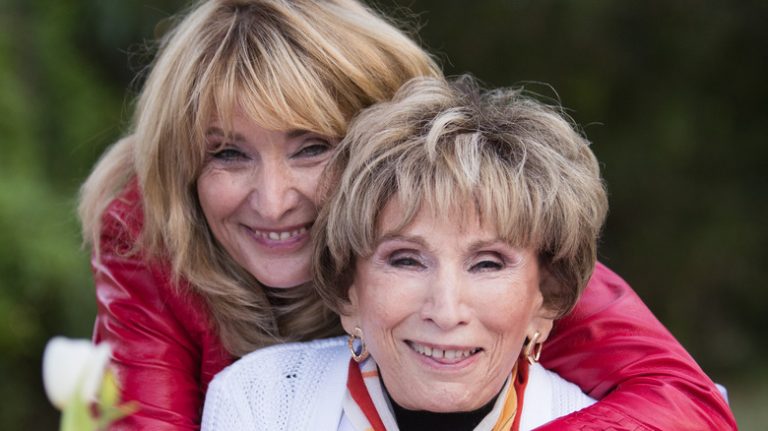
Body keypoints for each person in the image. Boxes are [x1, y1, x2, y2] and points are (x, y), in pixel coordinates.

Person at [79, 0, 735, 430]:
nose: (273, 198)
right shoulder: (150, 229)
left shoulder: (477, 240)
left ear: (388, 144)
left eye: (312, 146)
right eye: (227, 153)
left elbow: (686, 404)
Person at [200, 75, 604, 429]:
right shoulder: (260, 401)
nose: (446, 312)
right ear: (348, 289)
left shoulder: (599, 422)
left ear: (544, 297)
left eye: (487, 264)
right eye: (406, 260)